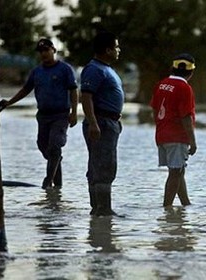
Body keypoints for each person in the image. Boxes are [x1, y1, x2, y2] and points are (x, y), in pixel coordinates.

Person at [0, 38, 78, 189]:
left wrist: (74, 112)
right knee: (44, 146)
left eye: (46, 50)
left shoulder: (65, 69)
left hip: (60, 115)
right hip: (43, 115)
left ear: (53, 50)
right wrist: (9, 102)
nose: (44, 54)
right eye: (41, 51)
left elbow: (74, 91)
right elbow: (25, 90)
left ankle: (48, 180)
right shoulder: (37, 72)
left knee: (55, 146)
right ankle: (57, 187)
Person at [80, 31, 124, 216]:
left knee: (100, 164)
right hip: (101, 122)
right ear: (107, 50)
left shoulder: (105, 68)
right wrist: (93, 123)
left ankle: (98, 208)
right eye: (116, 47)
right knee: (104, 166)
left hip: (108, 122)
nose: (118, 50)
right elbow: (86, 97)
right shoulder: (95, 69)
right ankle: (102, 209)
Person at [150, 53, 198, 207]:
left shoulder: (162, 84)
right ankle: (167, 208)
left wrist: (160, 127)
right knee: (175, 173)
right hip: (177, 137)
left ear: (173, 67)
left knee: (178, 171)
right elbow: (186, 117)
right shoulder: (185, 88)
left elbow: (154, 109)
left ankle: (186, 204)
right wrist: (193, 141)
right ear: (191, 72)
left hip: (162, 135)